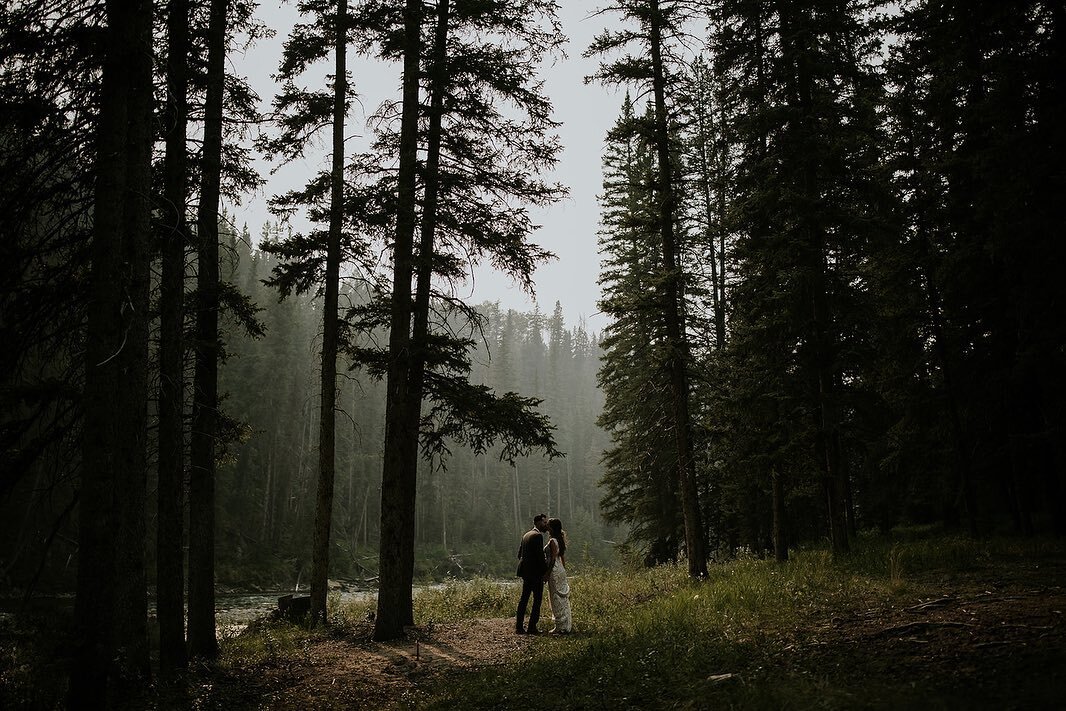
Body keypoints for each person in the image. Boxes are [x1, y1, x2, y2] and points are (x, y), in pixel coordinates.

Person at [515, 513, 549, 634]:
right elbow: (540, 557)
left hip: (525, 572)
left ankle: (519, 627)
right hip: (535, 574)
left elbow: (519, 554)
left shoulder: (526, 534)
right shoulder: (537, 536)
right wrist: (546, 571)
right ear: (538, 522)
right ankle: (532, 627)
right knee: (537, 600)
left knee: (523, 599)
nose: (546, 525)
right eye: (544, 522)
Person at [544, 517, 573, 634]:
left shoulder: (552, 541)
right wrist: (564, 570)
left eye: (548, 525)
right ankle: (564, 624)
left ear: (552, 528)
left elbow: (552, 559)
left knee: (555, 596)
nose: (547, 527)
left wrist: (547, 573)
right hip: (560, 569)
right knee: (562, 597)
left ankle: (560, 625)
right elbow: (562, 557)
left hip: (555, 570)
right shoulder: (559, 540)